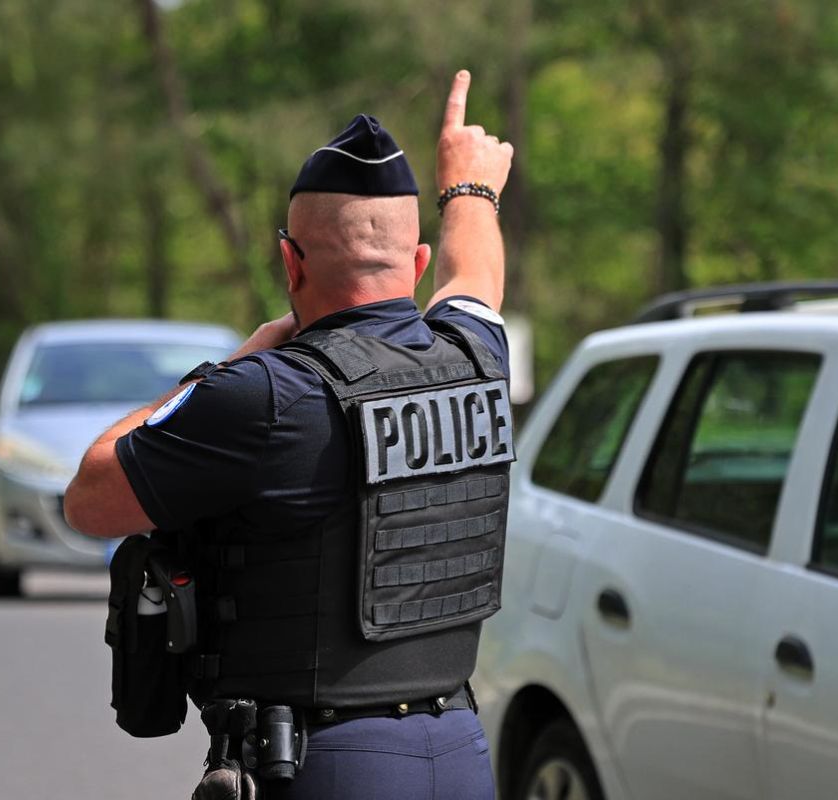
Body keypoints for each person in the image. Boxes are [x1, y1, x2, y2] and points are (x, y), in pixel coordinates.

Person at [64, 69, 514, 800]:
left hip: (323, 763)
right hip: (459, 752)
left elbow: (90, 497)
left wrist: (227, 365)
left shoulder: (264, 394)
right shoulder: (475, 357)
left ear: (289, 260)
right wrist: (470, 188)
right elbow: (476, 276)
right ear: (415, 263)